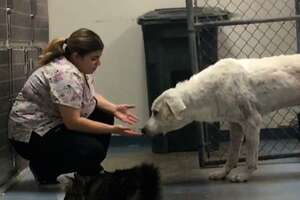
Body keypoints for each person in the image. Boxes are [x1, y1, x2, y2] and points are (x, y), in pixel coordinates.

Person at [8, 28, 141, 185]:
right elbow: (73, 122)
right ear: (77, 56)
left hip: (51, 126)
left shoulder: (78, 68)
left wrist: (113, 108)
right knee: (92, 151)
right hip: (31, 137)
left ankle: (89, 171)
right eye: (94, 58)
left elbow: (91, 97)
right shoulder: (65, 75)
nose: (99, 63)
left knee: (104, 113)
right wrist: (113, 130)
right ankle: (43, 168)